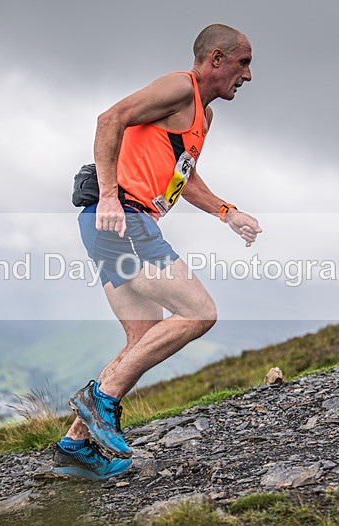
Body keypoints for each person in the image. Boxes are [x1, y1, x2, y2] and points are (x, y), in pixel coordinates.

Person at [52, 23, 262, 481]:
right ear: (216, 60)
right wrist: (109, 194)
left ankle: (74, 446)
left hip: (125, 221)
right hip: (120, 217)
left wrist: (228, 212)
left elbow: (182, 181)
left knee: (142, 338)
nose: (248, 76)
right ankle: (98, 401)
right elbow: (110, 119)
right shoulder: (178, 87)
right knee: (199, 312)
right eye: (243, 64)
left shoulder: (203, 118)